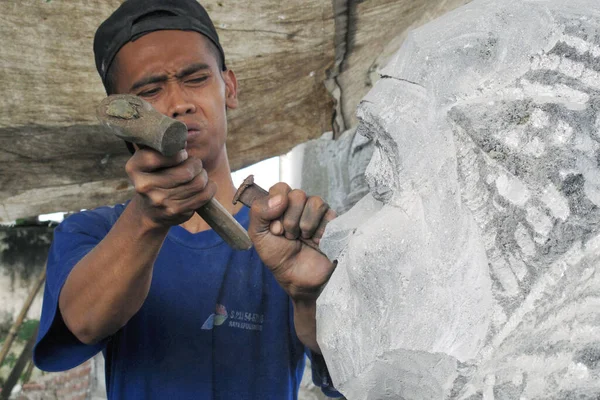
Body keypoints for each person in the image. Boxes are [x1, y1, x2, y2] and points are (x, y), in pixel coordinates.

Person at [33, 1, 340, 398]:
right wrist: (146, 221)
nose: (179, 103)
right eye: (149, 90)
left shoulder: (288, 234)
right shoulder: (94, 231)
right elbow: (84, 323)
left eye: (196, 78)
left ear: (228, 87)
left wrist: (310, 299)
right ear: (121, 118)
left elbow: (356, 379)